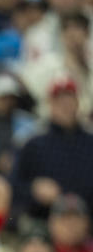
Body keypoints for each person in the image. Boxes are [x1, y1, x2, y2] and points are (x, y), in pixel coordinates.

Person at [10, 76, 93, 227]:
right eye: (59, 101)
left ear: (78, 102)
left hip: (87, 224)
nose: (65, 106)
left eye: (69, 99)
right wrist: (33, 190)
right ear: (50, 104)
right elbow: (14, 186)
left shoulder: (90, 142)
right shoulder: (32, 143)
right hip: (43, 223)